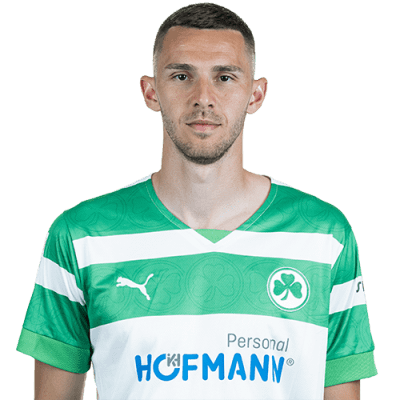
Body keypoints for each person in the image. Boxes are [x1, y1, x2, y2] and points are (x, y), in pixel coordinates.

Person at [16, 2, 377, 399]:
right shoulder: (82, 236)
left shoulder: (324, 237)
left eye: (224, 77)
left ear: (256, 94)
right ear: (151, 91)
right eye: (181, 76)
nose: (203, 97)